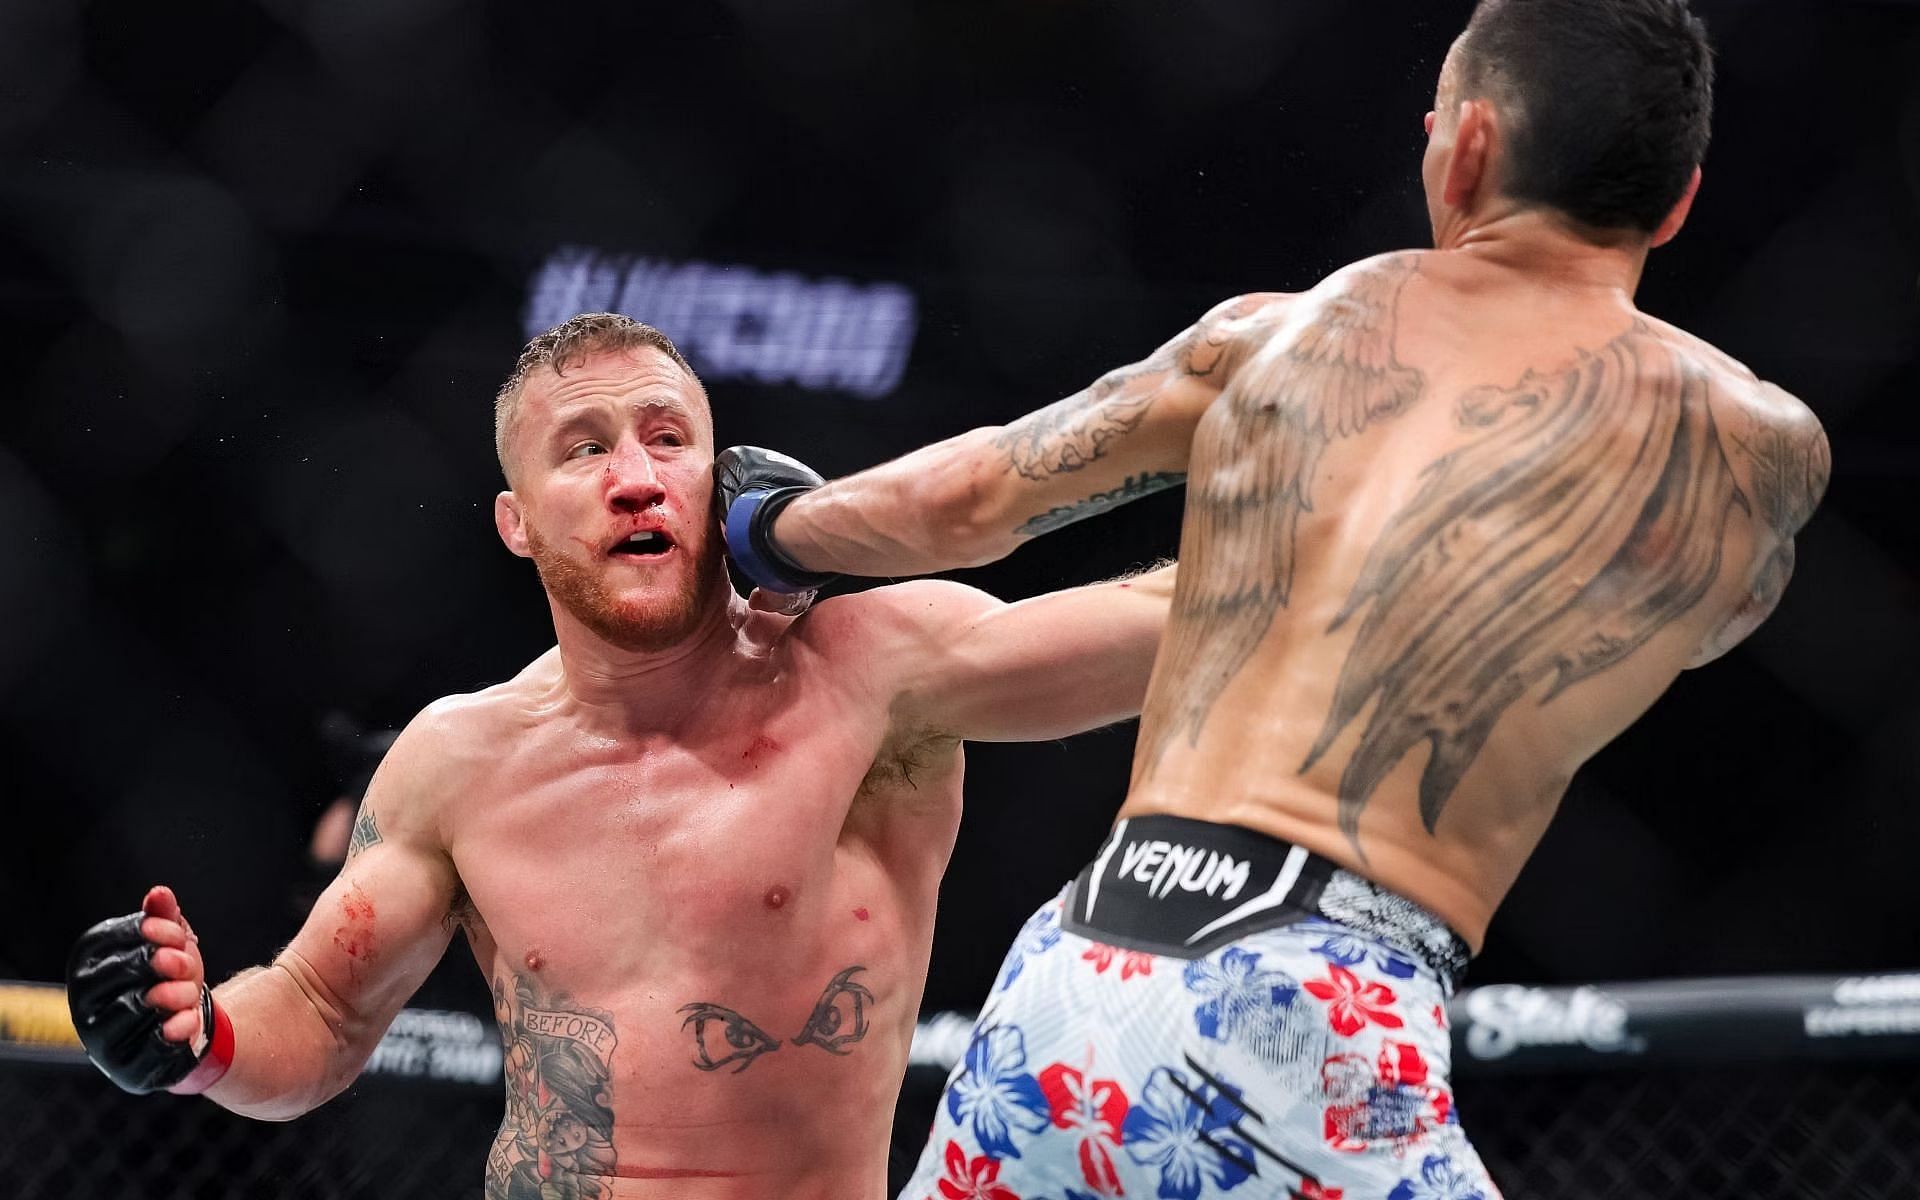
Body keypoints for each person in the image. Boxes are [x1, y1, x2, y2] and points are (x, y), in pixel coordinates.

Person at [725, 2, 1830, 1196]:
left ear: (1465, 147)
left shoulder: (1277, 337)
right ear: (1677, 202)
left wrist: (772, 529)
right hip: (1321, 1004)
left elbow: (969, 501)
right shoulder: (1749, 453)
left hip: (1077, 977)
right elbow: (1687, 634)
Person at [64, 313, 1177, 1200]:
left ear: (722, 480)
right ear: (517, 523)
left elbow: (1183, 626)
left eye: (667, 439)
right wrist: (195, 1036)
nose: (634, 477)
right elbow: (317, 1010)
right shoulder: (459, 759)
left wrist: (1314, 506)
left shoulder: (873, 674)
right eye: (585, 450)